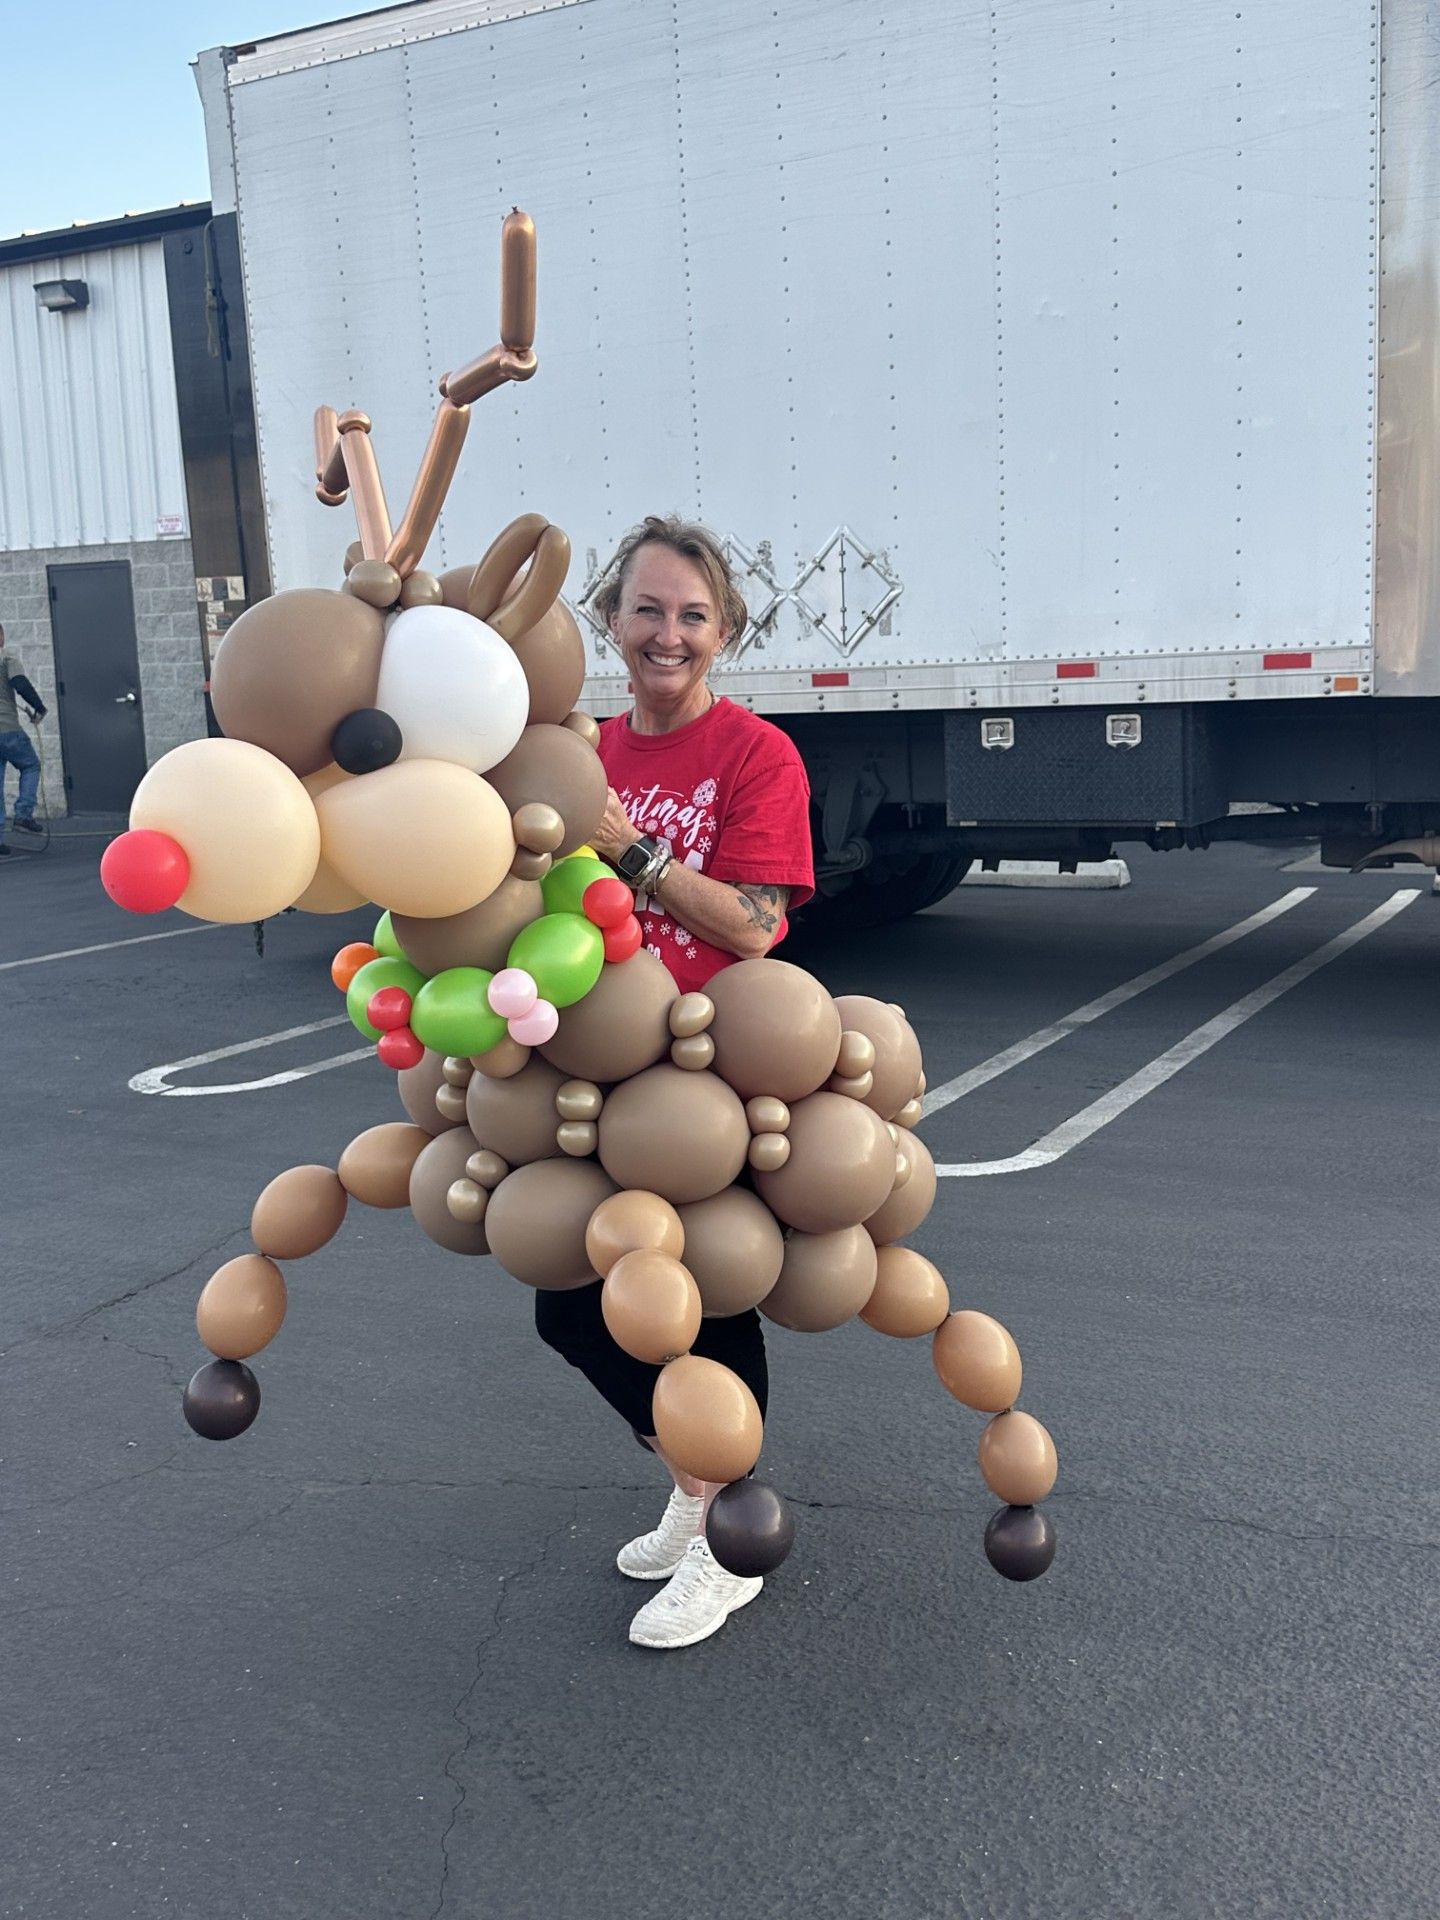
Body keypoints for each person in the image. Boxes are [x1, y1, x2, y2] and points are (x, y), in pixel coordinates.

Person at [534, 515, 815, 1650]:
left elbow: (758, 926)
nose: (667, 633)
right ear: (609, 620)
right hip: (593, 1067)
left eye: (693, 615)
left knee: (713, 1296)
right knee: (569, 1305)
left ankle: (724, 1538)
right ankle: (701, 1490)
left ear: (724, 634)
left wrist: (633, 852)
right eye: (647, 609)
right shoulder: (583, 750)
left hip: (706, 1073)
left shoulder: (757, 757)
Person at [0, 625, 46, 856]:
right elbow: (20, 684)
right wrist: (39, 707)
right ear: (1, 637)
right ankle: (23, 814)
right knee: (30, 765)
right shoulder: (6, 657)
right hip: (7, 730)